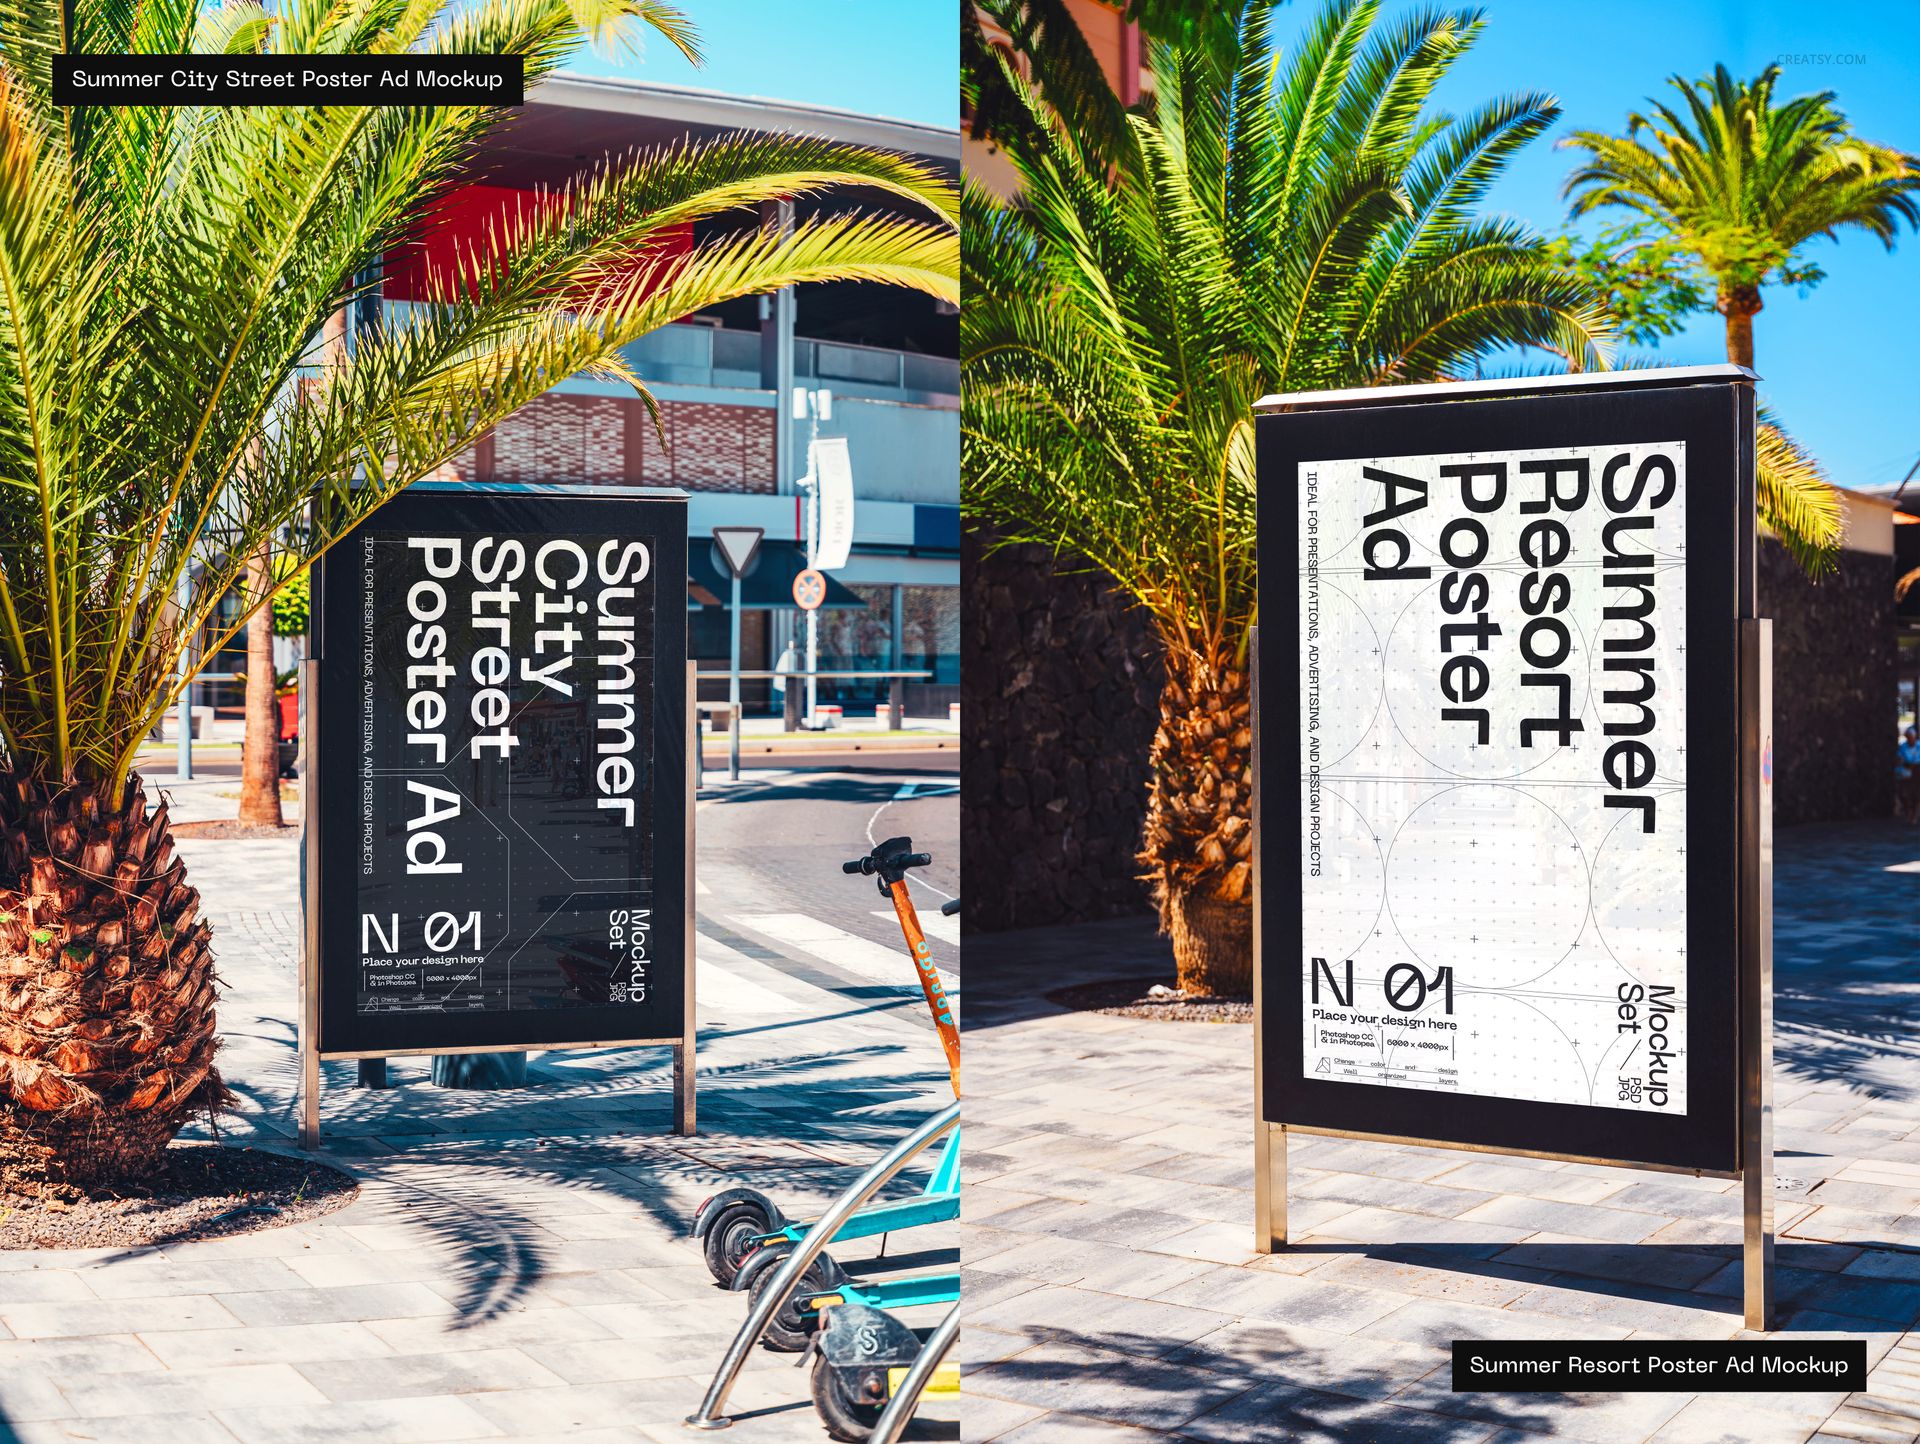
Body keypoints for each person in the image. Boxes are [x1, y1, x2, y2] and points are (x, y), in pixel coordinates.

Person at [1899, 725, 1920, 825]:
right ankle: (1909, 813)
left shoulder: (1919, 746)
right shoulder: (1903, 746)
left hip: (1917, 773)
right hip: (1906, 772)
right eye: (1907, 737)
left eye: (1911, 737)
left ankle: (1914, 815)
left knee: (1916, 795)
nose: (1909, 739)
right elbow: (1899, 758)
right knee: (1904, 794)